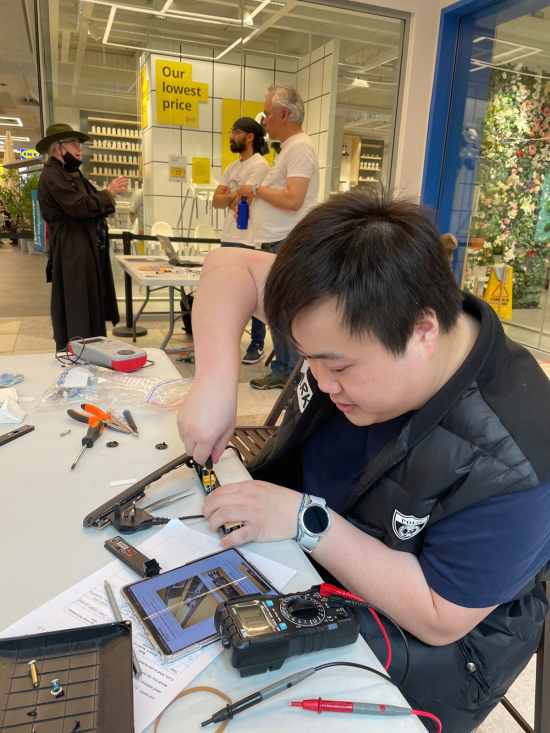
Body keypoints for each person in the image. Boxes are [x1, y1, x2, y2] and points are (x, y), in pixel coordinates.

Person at [177, 190, 550, 733]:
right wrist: (215, 379)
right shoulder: (367, 298)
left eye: (340, 368)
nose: (323, 386)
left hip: (430, 651)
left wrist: (309, 522)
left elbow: (439, 616)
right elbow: (228, 264)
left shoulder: (521, 456)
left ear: (423, 332)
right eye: (309, 361)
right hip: (314, 555)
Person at [236, 85, 319, 389]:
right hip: (277, 241)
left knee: (281, 311)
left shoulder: (299, 147)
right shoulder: (291, 149)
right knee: (277, 310)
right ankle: (285, 370)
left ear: (284, 114)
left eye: (268, 113)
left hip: (286, 241)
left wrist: (256, 190)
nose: (264, 121)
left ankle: (287, 372)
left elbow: (294, 199)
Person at [37, 123, 128, 351]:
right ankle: (78, 351)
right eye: (74, 144)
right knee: (77, 300)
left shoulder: (71, 173)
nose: (79, 149)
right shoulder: (52, 175)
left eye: (79, 144)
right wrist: (109, 193)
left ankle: (93, 347)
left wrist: (105, 197)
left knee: (90, 298)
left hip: (84, 247)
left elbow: (90, 203)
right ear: (58, 147)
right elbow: (79, 206)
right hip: (73, 248)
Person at [213, 117, 270, 365]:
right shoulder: (231, 167)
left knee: (254, 295)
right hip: (229, 237)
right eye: (230, 131)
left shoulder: (260, 166)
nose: (230, 136)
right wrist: (232, 196)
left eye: (235, 132)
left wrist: (230, 196)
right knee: (228, 292)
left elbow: (244, 200)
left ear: (249, 137)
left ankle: (256, 343)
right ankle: (228, 341)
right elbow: (216, 201)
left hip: (250, 239)